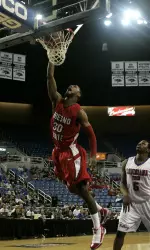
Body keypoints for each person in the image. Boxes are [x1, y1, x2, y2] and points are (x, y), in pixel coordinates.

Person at [47, 61, 106, 249]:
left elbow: (92, 136)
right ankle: (99, 209)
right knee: (72, 189)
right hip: (57, 151)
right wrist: (51, 58)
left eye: (75, 87)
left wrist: (94, 156)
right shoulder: (56, 100)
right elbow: (49, 77)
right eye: (70, 85)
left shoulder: (79, 112)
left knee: (81, 189)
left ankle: (98, 229)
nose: (71, 86)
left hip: (72, 152)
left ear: (78, 94)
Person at [113, 140, 150, 250]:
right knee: (120, 232)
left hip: (147, 202)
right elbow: (122, 183)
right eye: (139, 143)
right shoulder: (127, 162)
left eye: (143, 144)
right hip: (131, 203)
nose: (139, 144)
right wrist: (125, 195)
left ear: (148, 150)